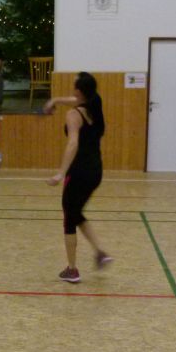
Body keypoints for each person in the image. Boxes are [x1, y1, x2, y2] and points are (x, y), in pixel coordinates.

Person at [44, 72, 112, 283]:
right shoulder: (96, 102)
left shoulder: (74, 115)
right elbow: (74, 100)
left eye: (74, 86)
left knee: (69, 217)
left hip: (79, 172)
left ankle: (72, 270)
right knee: (76, 212)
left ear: (79, 91)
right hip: (96, 171)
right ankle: (100, 253)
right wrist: (55, 100)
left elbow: (73, 143)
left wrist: (61, 172)